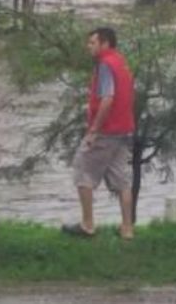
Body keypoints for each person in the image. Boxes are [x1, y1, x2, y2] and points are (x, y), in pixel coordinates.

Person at [62, 27, 136, 240]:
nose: (89, 47)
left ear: (105, 44)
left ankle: (87, 224)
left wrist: (94, 129)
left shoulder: (105, 65)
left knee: (82, 170)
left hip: (107, 131)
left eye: (92, 43)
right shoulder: (121, 62)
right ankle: (127, 229)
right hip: (124, 129)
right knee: (122, 180)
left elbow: (107, 98)